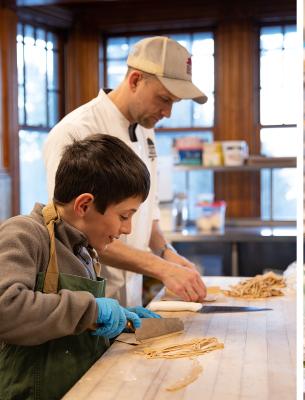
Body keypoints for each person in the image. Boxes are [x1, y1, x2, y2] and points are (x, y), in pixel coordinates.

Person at [43, 36, 207, 307]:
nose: (167, 112)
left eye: (174, 103)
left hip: (129, 294)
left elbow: (148, 206)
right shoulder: (75, 132)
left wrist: (165, 252)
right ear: (134, 80)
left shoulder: (146, 130)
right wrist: (160, 268)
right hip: (86, 300)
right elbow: (71, 228)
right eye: (164, 98)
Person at [0, 134, 161, 399]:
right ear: (84, 204)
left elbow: (67, 326)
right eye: (124, 216)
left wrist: (114, 322)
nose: (127, 228)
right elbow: (6, 309)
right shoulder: (24, 234)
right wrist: (91, 310)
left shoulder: (84, 251)